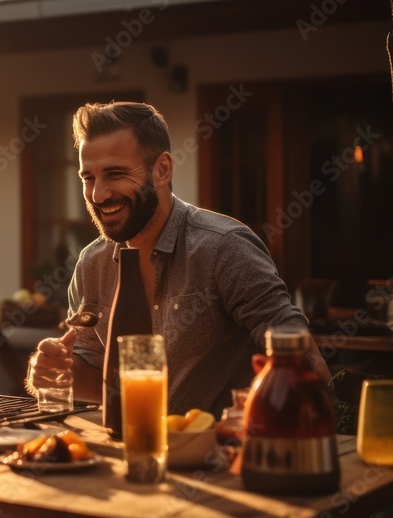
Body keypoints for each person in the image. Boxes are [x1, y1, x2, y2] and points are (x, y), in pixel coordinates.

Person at [26, 101, 331, 416]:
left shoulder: (223, 248)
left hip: (221, 457)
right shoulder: (91, 264)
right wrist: (53, 370)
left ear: (162, 170)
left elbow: (305, 364)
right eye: (88, 178)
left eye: (114, 174)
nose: (98, 194)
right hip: (131, 454)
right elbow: (98, 383)